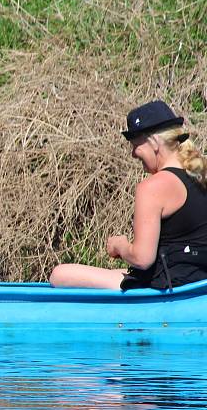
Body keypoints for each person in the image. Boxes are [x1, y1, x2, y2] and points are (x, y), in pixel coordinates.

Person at [50, 100, 207, 290]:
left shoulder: (153, 187)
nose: (133, 154)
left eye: (135, 145)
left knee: (60, 274)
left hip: (170, 285)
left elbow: (142, 259)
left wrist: (120, 246)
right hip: (198, 281)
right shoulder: (201, 175)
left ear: (154, 142)